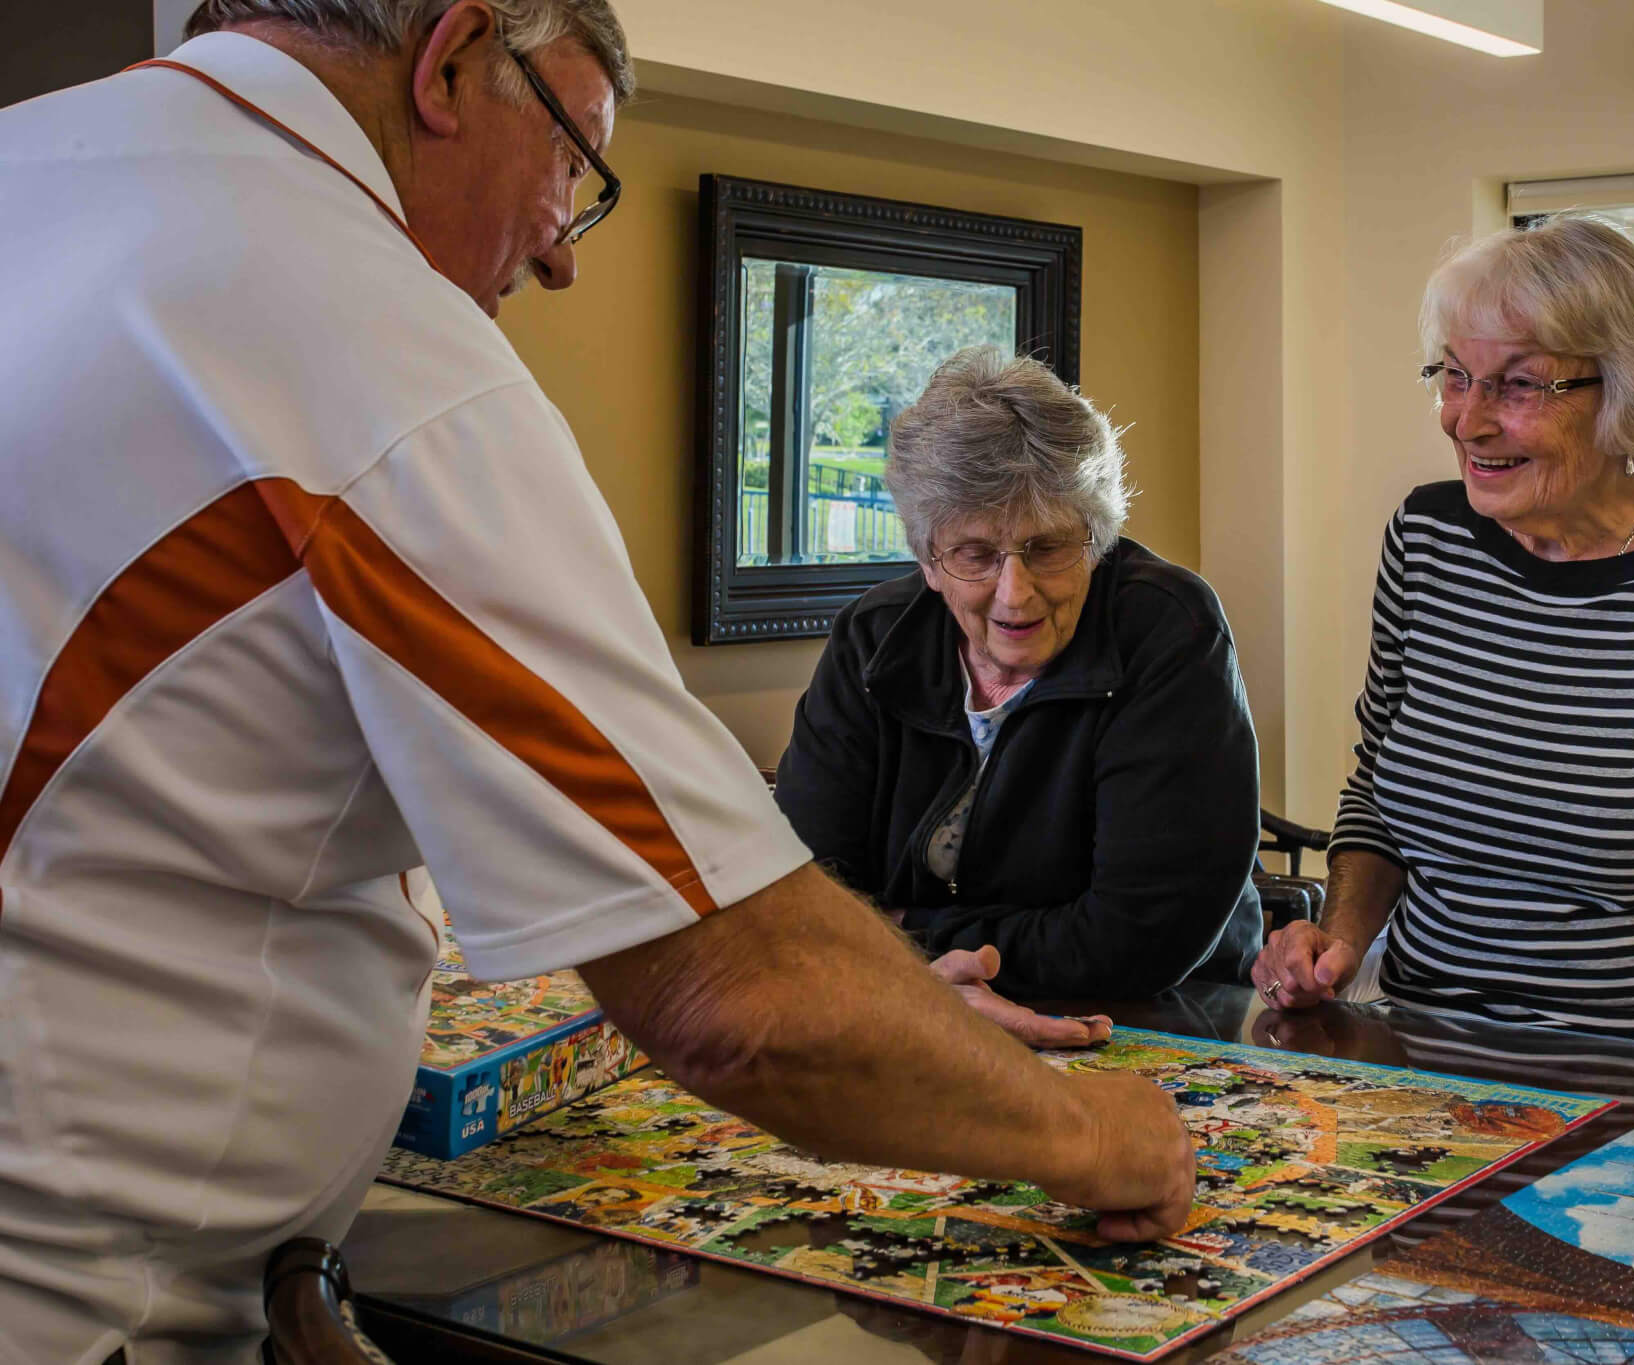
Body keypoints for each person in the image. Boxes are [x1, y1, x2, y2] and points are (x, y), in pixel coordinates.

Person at [0, 5, 1190, 1360]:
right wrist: (1090, 1130)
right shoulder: (374, 343)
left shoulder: (39, 163)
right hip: (82, 1296)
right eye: (574, 158)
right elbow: (741, 995)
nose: (565, 245)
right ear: (451, 61)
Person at [1252, 215, 1634, 1085]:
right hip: (1417, 1060)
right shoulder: (1428, 538)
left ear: (1625, 391)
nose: (1465, 420)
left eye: (1516, 386)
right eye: (1454, 376)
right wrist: (1340, 936)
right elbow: (1379, 791)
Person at [774, 347, 1264, 1016]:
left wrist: (906, 936)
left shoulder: (1169, 631)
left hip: (1164, 1017)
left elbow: (1138, 939)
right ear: (928, 558)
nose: (1015, 594)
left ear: (1095, 538)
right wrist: (934, 975)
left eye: (1048, 548)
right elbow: (800, 895)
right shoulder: (872, 641)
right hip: (913, 1012)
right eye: (976, 554)